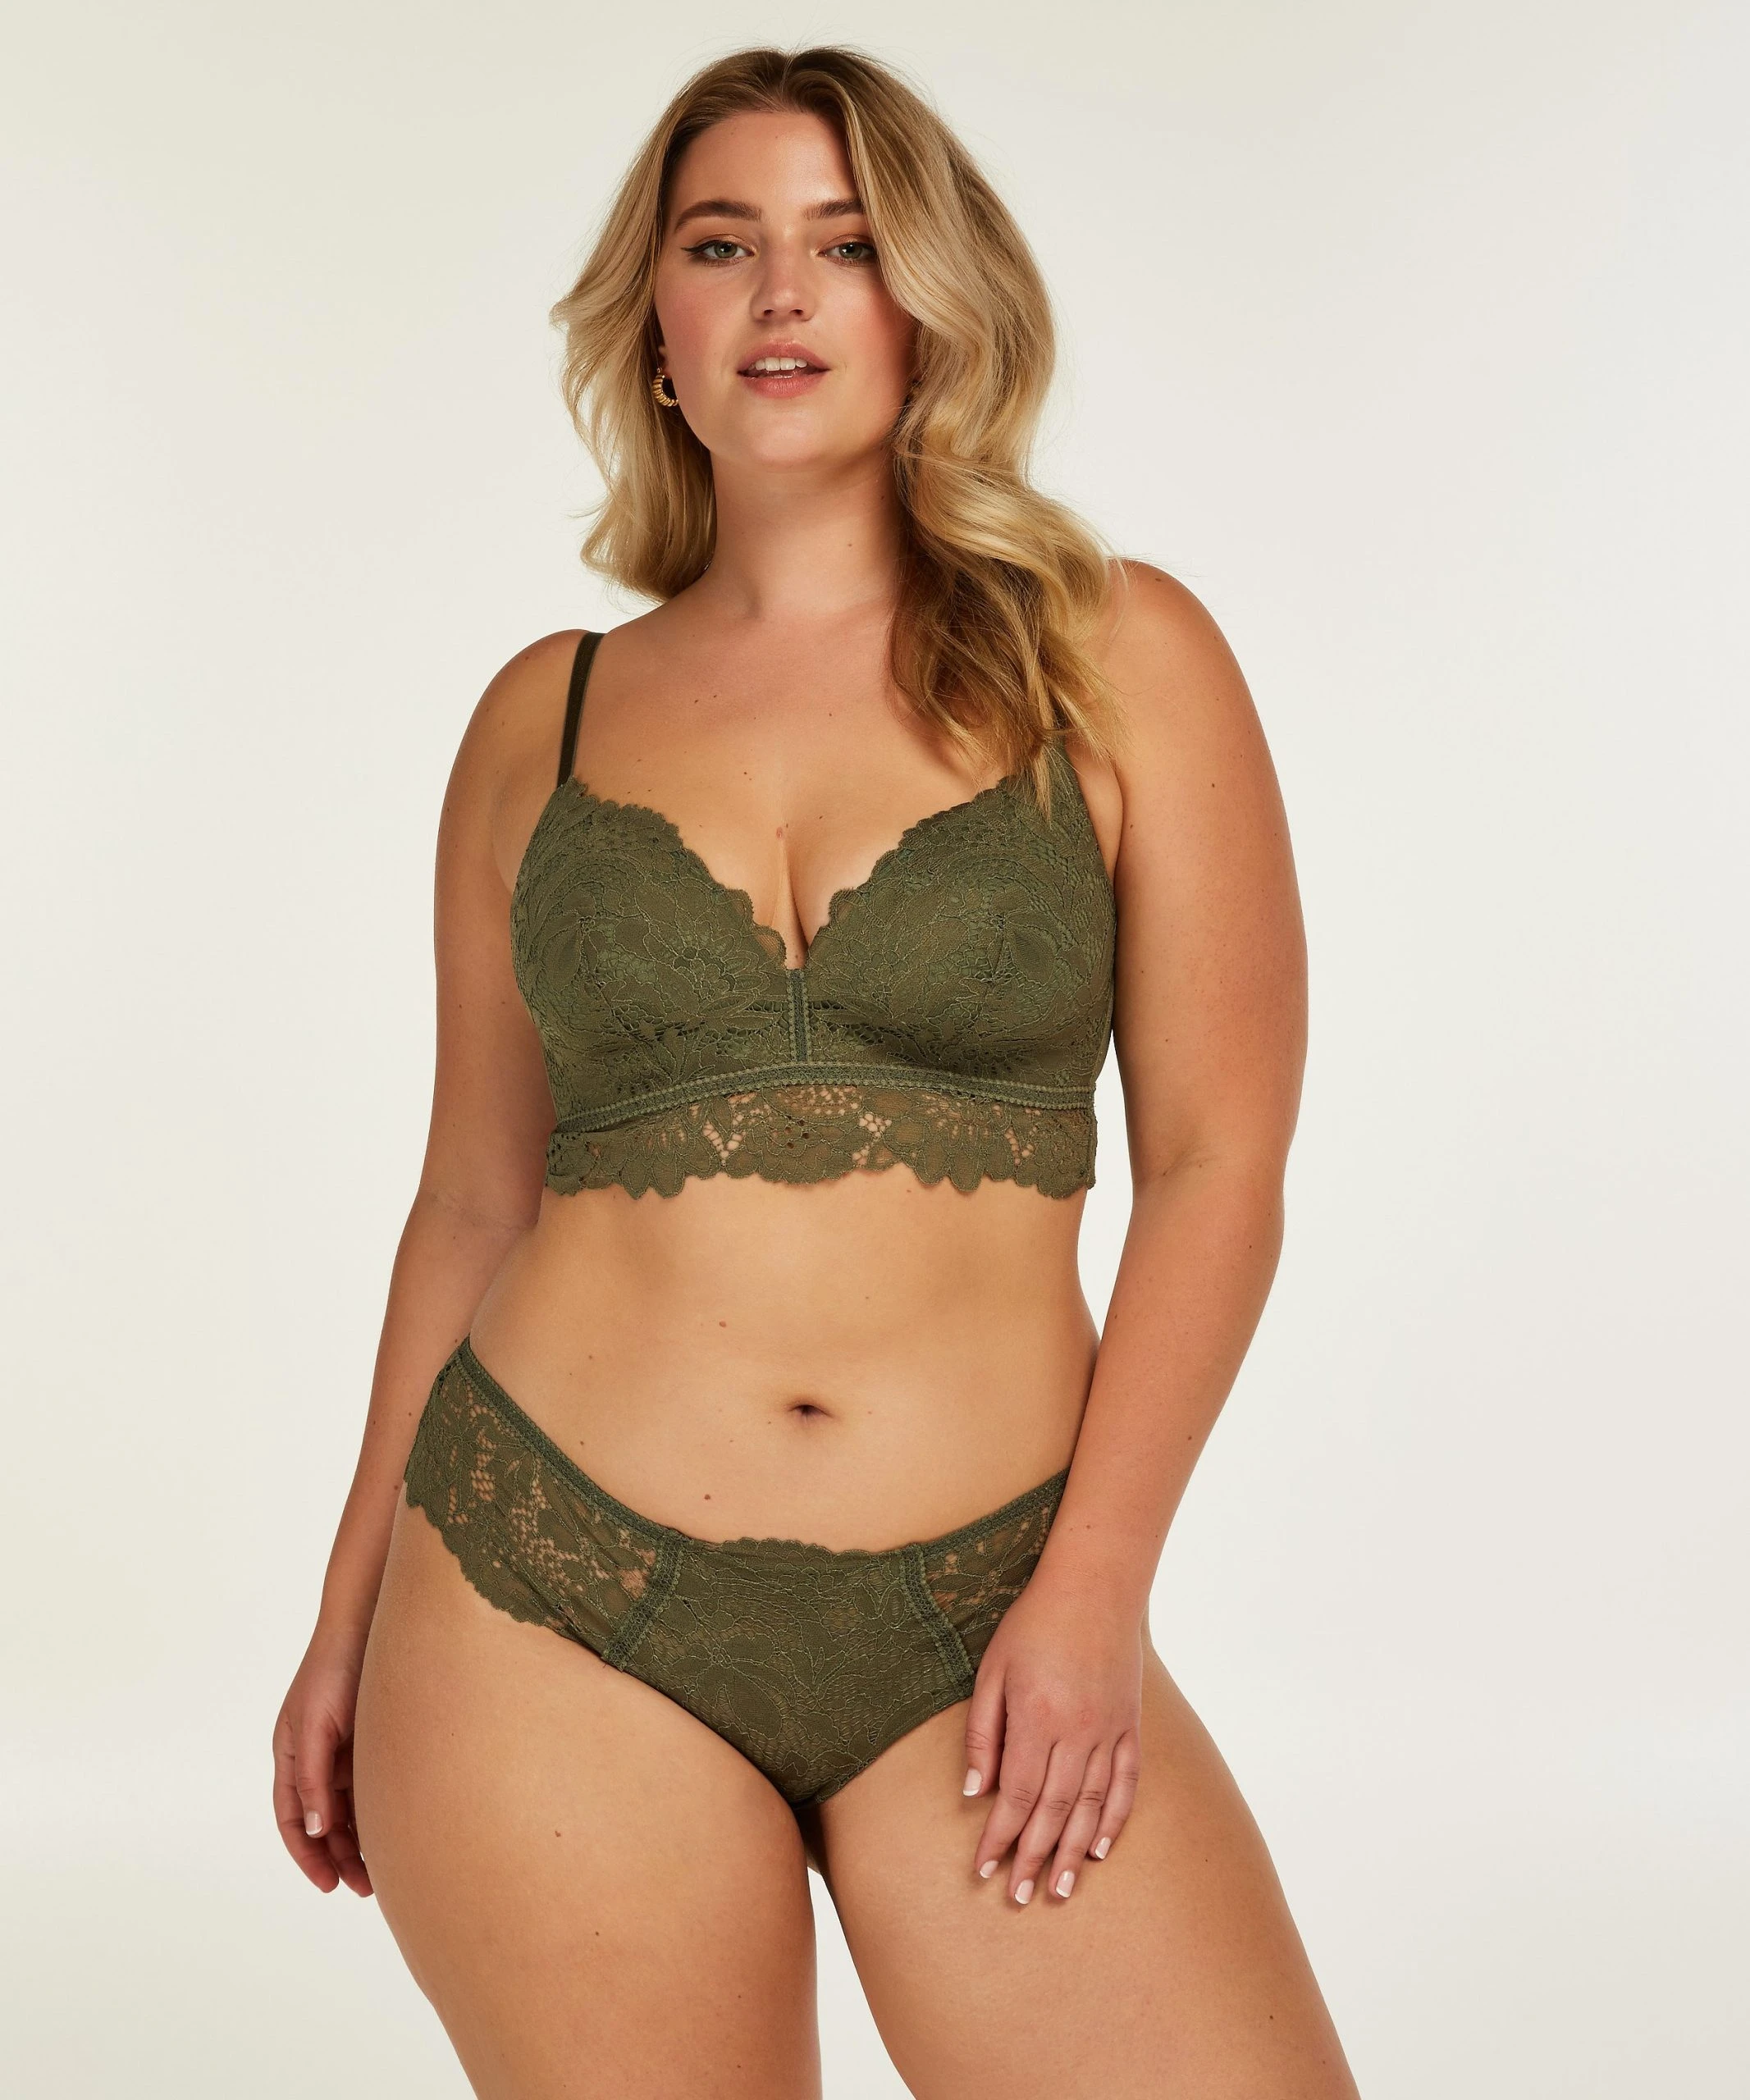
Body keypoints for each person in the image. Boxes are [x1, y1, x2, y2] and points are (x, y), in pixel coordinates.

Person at [272, 43, 1360, 2098]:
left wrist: (1095, 1592)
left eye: (845, 245)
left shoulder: (1118, 657)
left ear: (932, 302)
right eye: (720, 246)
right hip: (534, 1592)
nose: (781, 292)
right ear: (656, 327)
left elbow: (1222, 1164)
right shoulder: (541, 718)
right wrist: (346, 1616)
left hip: (992, 1608)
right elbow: (474, 1197)